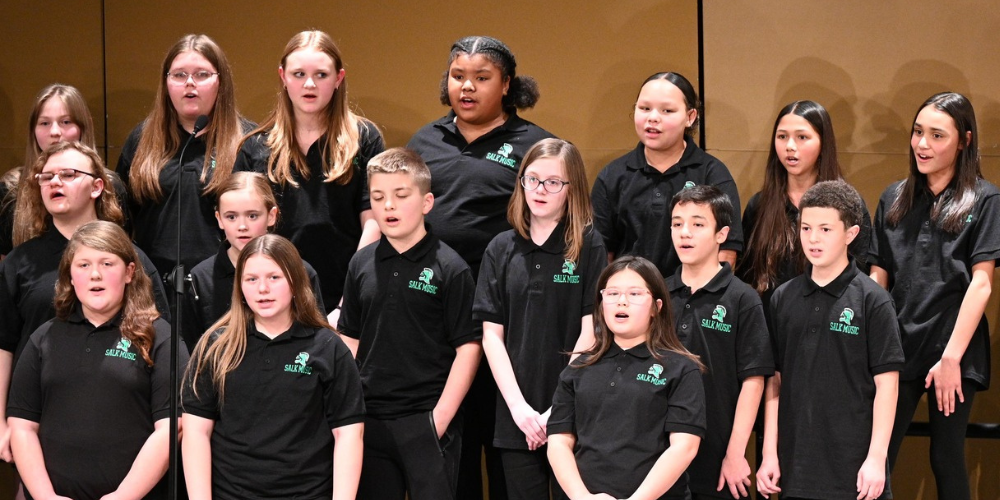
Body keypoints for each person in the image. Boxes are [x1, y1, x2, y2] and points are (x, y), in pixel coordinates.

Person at [407, 35, 555, 500]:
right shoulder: (425, 141)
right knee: (453, 439)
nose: (466, 87)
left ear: (507, 85)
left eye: (481, 78)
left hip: (510, 311)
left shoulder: (535, 144)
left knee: (508, 433)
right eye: (458, 76)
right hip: (435, 310)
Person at [0, 142, 170, 462]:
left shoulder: (132, 259)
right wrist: (2, 424)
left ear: (96, 187)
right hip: (38, 423)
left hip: (122, 425)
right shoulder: (19, 262)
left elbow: (159, 341)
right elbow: (3, 345)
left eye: (68, 174)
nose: (54, 182)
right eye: (47, 176)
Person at [869, 92, 999, 500]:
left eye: (937, 135)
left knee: (946, 456)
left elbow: (981, 283)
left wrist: (951, 359)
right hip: (899, 345)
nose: (922, 144)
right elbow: (878, 277)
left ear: (964, 141)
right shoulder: (893, 197)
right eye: (918, 132)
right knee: (877, 457)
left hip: (953, 347)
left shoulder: (985, 198)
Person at [338, 148, 480, 499]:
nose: (388, 206)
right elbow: (349, 339)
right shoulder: (360, 264)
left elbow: (468, 348)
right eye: (378, 197)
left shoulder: (451, 268)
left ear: (427, 202)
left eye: (401, 195)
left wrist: (439, 420)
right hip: (369, 419)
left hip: (426, 418)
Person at [8, 220, 186, 500]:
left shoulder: (160, 338)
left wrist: (123, 496)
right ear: (69, 275)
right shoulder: (43, 338)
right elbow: (22, 425)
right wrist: (46, 497)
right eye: (83, 265)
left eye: (107, 263)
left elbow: (171, 428)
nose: (95, 275)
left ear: (129, 272)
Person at [182, 234, 364, 499]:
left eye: (274, 277)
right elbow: (196, 431)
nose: (262, 289)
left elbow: (348, 434)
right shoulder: (216, 346)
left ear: (295, 281)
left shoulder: (327, 347)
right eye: (251, 279)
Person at [474, 138, 605, 500]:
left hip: (572, 410)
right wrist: (520, 409)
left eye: (552, 182)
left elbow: (591, 331)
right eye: (531, 179)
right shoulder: (500, 248)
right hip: (517, 415)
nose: (539, 190)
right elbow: (491, 336)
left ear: (571, 188)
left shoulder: (588, 244)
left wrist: (556, 408)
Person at [757, 180, 903, 500]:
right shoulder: (782, 298)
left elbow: (887, 386)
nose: (813, 238)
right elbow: (775, 381)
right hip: (795, 467)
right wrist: (769, 453)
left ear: (850, 234)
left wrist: (876, 459)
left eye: (825, 229)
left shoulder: (873, 300)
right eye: (806, 228)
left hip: (855, 470)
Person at [235, 30, 383, 318]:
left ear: (339, 78)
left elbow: (373, 222)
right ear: (283, 76)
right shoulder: (255, 146)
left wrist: (348, 303)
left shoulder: (364, 138)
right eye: (299, 74)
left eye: (321, 75)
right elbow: (243, 232)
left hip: (344, 295)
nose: (310, 84)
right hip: (273, 298)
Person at [547, 255, 705, 500]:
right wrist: (582, 497)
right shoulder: (577, 368)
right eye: (612, 294)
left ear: (656, 307)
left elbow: (684, 447)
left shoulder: (681, 369)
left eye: (634, 294)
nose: (621, 301)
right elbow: (558, 442)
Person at [667, 185, 773, 500]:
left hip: (717, 456)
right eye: (677, 223)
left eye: (698, 224)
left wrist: (736, 453)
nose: (685, 233)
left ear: (722, 234)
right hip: (660, 454)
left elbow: (753, 380)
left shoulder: (742, 298)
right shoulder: (658, 293)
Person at [118, 34, 253, 276]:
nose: (190, 83)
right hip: (153, 280)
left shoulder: (248, 141)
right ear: (166, 83)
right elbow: (121, 218)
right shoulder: (141, 140)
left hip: (226, 280)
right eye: (179, 75)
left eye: (202, 74)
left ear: (221, 82)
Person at [592, 72, 742, 279]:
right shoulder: (612, 176)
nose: (653, 118)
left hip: (693, 294)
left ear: (690, 117)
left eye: (667, 110)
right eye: (645, 108)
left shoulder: (712, 173)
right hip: (631, 293)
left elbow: (727, 251)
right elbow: (602, 253)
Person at [739, 100, 871, 310]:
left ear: (823, 143)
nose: (790, 146)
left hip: (829, 318)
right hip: (771, 321)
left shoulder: (848, 205)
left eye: (802, 137)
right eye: (782, 137)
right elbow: (746, 277)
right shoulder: (760, 205)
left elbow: (859, 277)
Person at [183, 171, 323, 350]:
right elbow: (192, 347)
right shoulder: (200, 278)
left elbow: (317, 339)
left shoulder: (299, 271)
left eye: (252, 216)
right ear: (219, 219)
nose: (242, 226)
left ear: (271, 215)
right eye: (231, 217)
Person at [3, 84, 107, 257]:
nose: (54, 132)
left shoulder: (110, 184)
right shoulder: (11, 188)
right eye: (44, 123)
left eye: (66, 122)